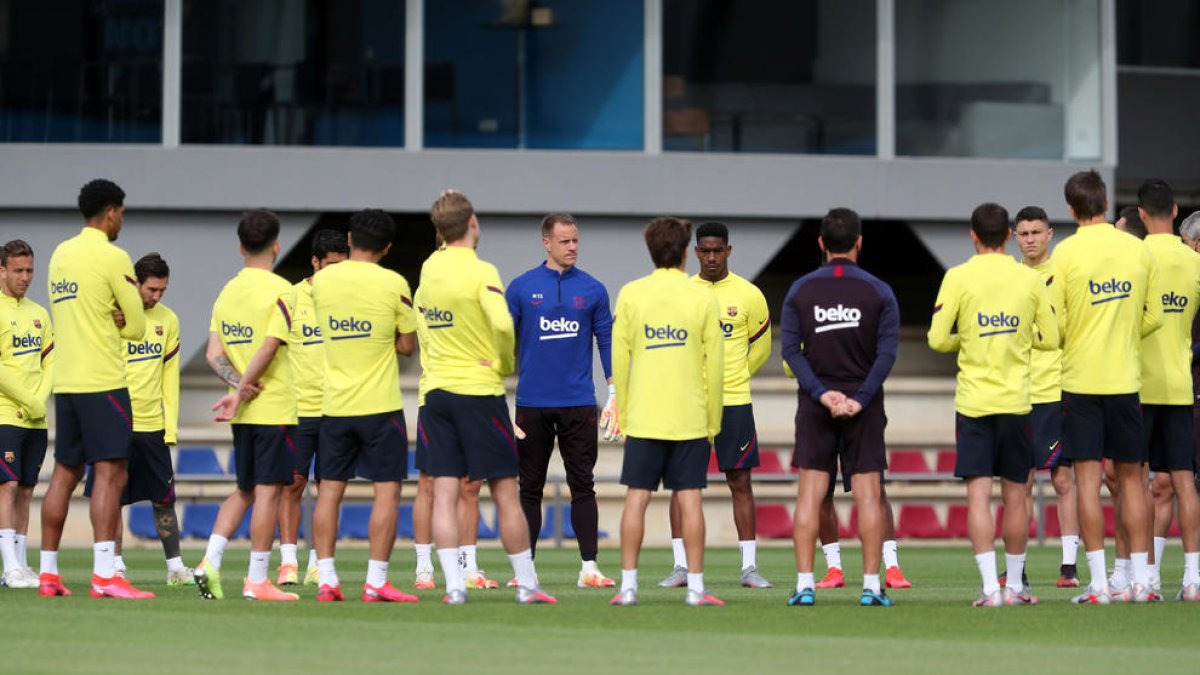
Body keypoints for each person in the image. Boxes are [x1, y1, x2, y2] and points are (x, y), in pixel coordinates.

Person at [416, 190, 554, 605]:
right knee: (505, 492)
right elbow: (503, 324)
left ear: (439, 231)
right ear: (473, 222)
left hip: (435, 392)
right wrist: (501, 363)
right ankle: (527, 586)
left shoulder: (429, 267)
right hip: (477, 391)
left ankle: (454, 587)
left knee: (443, 492)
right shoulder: (482, 271)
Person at [929, 202, 1059, 606]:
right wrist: (1020, 341)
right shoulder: (1028, 279)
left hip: (974, 404)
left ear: (972, 235)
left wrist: (964, 341)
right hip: (1018, 403)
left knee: (977, 497)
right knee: (1016, 497)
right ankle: (1016, 586)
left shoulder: (957, 277)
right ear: (1008, 235)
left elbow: (937, 339)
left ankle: (990, 589)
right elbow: (1052, 337)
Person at [1048, 170, 1162, 604]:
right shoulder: (1138, 249)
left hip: (1081, 381)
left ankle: (1098, 585)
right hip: (1125, 380)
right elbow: (1152, 317)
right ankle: (1140, 583)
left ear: (1072, 209)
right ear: (1107, 200)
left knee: (1087, 481)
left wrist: (1077, 335)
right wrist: (1124, 334)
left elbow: (1055, 324)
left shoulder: (1065, 254)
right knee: (1134, 482)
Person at [783, 208, 900, 607]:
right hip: (863, 407)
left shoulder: (800, 290)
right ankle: (871, 586)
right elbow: (887, 355)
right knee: (869, 496)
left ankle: (804, 585)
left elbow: (790, 352)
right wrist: (859, 398)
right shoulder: (879, 291)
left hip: (816, 406)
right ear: (859, 242)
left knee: (809, 496)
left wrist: (821, 394)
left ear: (820, 243)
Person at [40, 179, 151, 599]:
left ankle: (48, 573)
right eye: (121, 212)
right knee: (111, 473)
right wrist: (121, 319)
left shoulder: (59, 255)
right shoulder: (113, 255)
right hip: (103, 381)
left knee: (65, 472)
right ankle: (105, 574)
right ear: (110, 213)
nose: (122, 219)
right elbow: (138, 326)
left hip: (66, 383)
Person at [610, 216, 724, 607]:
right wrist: (713, 421)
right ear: (686, 253)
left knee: (636, 499)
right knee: (690, 501)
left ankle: (627, 587)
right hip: (690, 416)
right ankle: (695, 589)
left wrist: (624, 412)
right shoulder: (702, 297)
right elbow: (715, 365)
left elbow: (619, 362)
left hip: (644, 415)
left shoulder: (630, 294)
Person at [306, 209, 418, 602]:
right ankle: (376, 581)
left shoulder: (322, 282)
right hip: (380, 405)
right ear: (387, 247)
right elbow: (407, 345)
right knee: (386, 492)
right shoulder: (395, 282)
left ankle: (327, 580)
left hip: (334, 405)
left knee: (329, 492)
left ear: (350, 239)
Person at [656, 222, 771, 589]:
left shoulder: (750, 295)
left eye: (716, 250)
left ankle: (749, 568)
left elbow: (762, 348)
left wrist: (733, 378)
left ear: (728, 251)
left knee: (740, 480)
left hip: (734, 402)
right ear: (694, 251)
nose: (709, 257)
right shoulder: (683, 292)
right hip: (689, 403)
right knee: (681, 484)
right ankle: (679, 567)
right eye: (703, 250)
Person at [506, 212, 616, 589]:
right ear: (546, 243)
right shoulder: (521, 287)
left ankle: (590, 567)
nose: (572, 247)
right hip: (532, 403)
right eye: (565, 241)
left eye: (576, 240)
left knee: (583, 485)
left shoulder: (594, 289)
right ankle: (526, 571)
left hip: (579, 402)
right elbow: (504, 343)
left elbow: (606, 340)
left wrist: (613, 392)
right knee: (529, 487)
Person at [201, 210, 300, 602]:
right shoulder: (283, 290)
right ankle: (257, 579)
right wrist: (243, 387)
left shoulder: (227, 291)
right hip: (273, 407)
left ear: (241, 246)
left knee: (243, 490)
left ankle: (209, 561)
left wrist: (235, 388)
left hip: (243, 414)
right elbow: (270, 346)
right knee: (267, 494)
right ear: (276, 246)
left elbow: (213, 353)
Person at [82, 253, 192, 586]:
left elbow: (170, 377)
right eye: (152, 289)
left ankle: (175, 567)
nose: (156, 297)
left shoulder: (168, 320)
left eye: (162, 291)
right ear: (136, 284)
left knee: (163, 498)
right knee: (111, 497)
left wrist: (169, 426)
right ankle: (114, 564)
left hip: (151, 426)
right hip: (113, 423)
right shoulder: (110, 315)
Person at [1134, 180, 1200, 601]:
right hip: (1180, 383)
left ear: (1140, 215)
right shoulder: (1194, 259)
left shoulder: (1133, 255)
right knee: (1183, 483)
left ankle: (1143, 578)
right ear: (1176, 212)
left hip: (1137, 385)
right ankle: (1193, 579)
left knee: (1135, 484)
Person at [1012, 206, 1081, 587]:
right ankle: (1018, 567)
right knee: (1018, 483)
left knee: (1063, 480)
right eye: (1024, 234)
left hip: (1056, 389)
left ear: (1050, 234)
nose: (1031, 239)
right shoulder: (1010, 277)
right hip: (1018, 392)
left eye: (1037, 232)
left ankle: (1068, 566)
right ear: (1013, 237)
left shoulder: (1064, 276)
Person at [278, 229, 348, 586]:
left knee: (330, 488)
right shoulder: (290, 297)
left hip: (339, 407)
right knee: (293, 484)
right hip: (298, 408)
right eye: (329, 266)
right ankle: (287, 561)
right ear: (315, 263)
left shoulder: (350, 297)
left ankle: (318, 562)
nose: (335, 273)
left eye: (342, 265)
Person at [0, 240, 53, 589]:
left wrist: (39, 400)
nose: (25, 277)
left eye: (29, 270)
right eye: (18, 270)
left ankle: (20, 564)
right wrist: (28, 400)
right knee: (8, 486)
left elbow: (51, 361)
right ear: (2, 270)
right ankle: (9, 567)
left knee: (26, 491)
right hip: (6, 414)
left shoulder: (39, 313)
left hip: (36, 417)